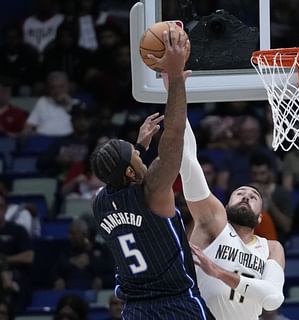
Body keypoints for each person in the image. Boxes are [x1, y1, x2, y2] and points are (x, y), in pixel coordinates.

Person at [90, 24, 213, 319]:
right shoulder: (154, 191)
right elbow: (173, 135)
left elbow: (125, 181)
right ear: (131, 173)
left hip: (134, 310)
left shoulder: (99, 202)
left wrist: (137, 148)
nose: (140, 154)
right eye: (136, 155)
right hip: (176, 304)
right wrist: (175, 78)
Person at [179, 118, 285, 320]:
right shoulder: (212, 224)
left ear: (260, 217)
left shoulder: (272, 248)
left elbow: (272, 299)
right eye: (239, 193)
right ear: (225, 207)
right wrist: (175, 95)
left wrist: (219, 273)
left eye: (254, 197)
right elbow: (189, 162)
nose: (246, 196)